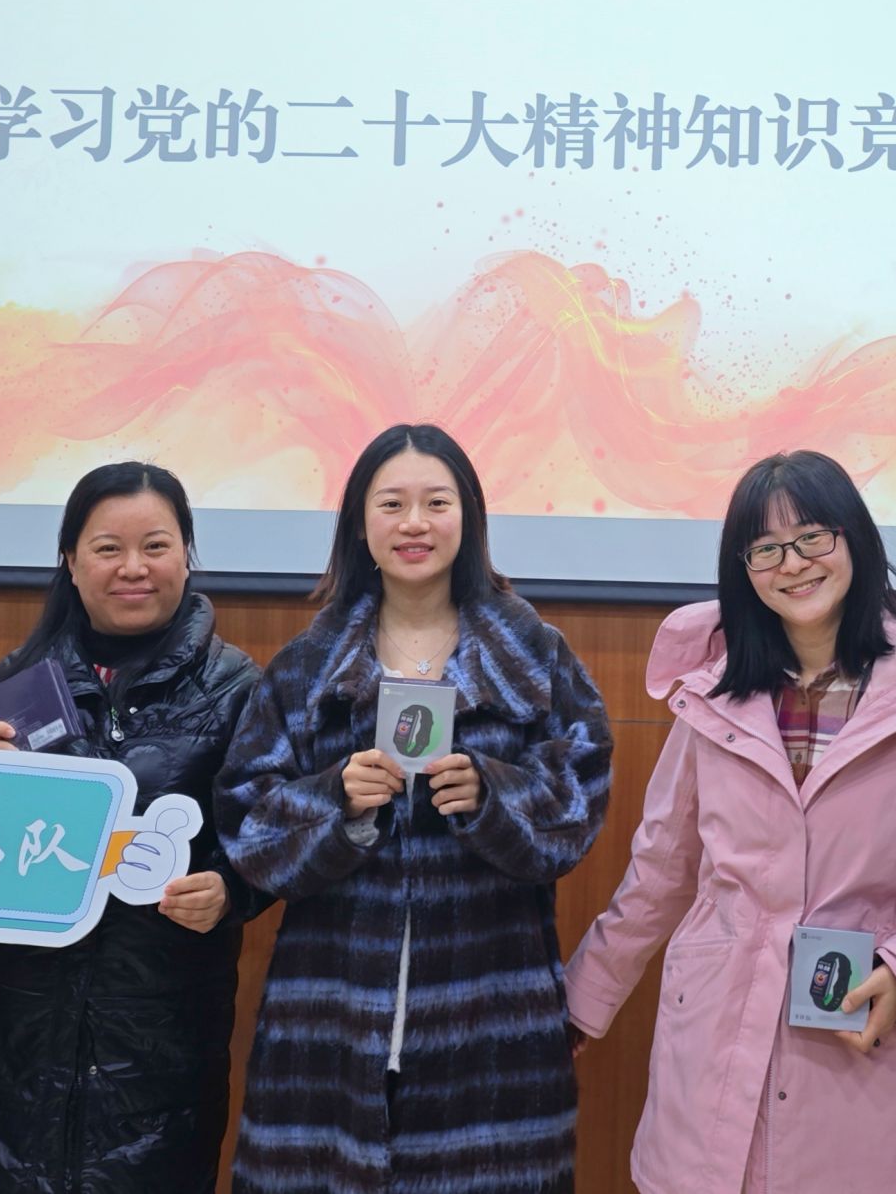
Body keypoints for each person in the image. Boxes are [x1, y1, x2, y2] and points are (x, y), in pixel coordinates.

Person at [564, 449, 896, 1194]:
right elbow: (660, 872)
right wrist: (579, 1004)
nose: (792, 563)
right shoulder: (711, 700)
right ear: (744, 569)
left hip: (860, 1043)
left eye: (812, 537)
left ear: (854, 539)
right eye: (765, 548)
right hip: (714, 1049)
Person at [217, 422, 613, 1194]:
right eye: (391, 503)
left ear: (469, 517)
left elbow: (579, 799)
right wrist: (337, 799)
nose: (414, 523)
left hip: (491, 1016)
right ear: (360, 524)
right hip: (330, 1017)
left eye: (437, 502)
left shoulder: (535, 656)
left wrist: (492, 794)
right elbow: (246, 819)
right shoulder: (306, 666)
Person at [0, 460, 263, 1194]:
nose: (133, 567)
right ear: (72, 562)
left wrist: (231, 888)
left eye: (156, 545)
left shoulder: (238, 689)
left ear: (186, 556)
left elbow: (270, 832)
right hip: (12, 1048)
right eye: (108, 548)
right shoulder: (12, 684)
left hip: (157, 1051)